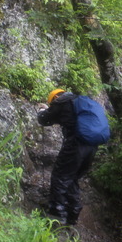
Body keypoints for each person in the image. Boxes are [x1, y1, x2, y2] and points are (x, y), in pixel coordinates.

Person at [37, 88, 98, 226]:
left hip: (76, 145)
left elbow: (44, 119)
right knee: (72, 177)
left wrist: (41, 111)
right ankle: (73, 214)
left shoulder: (62, 102)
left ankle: (56, 216)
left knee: (60, 176)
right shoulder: (81, 101)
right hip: (92, 146)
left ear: (56, 97)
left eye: (53, 102)